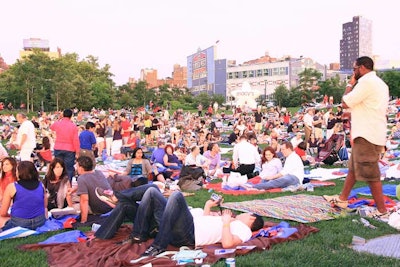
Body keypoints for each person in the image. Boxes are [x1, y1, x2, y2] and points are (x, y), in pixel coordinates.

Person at [323, 56, 390, 218]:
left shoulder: (366, 82)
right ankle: (342, 199)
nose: (353, 72)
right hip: (373, 132)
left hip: (367, 134)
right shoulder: (380, 83)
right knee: (353, 169)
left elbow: (345, 102)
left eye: (354, 69)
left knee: (371, 173)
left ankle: (382, 211)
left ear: (363, 67)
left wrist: (349, 84)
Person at [131, 187, 264, 257]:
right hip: (187, 226)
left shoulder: (244, 229)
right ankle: (139, 235)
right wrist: (208, 206)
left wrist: (226, 222)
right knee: (152, 191)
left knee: (176, 196)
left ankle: (158, 246)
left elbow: (228, 244)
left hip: (189, 234)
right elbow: (204, 221)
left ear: (251, 218)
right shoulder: (233, 221)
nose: (241, 214)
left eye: (245, 213)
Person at [94, 184, 160, 239]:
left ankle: (116, 197)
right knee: (123, 204)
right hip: (152, 220)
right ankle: (101, 235)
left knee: (153, 188)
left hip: (157, 226)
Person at [1, 161, 47, 230]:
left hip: (19, 223)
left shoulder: (12, 187)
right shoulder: (41, 185)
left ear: (19, 172)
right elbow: (44, 206)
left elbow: (3, 213)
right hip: (40, 222)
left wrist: (10, 216)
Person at [75, 156, 113, 223]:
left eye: (77, 166)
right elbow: (92, 184)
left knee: (74, 207)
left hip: (99, 209)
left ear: (80, 168)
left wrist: (83, 221)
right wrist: (74, 189)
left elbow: (84, 200)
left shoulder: (81, 178)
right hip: (111, 205)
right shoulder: (99, 172)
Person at [50, 109, 80, 180]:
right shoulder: (73, 126)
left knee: (58, 167)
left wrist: (59, 119)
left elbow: (51, 127)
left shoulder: (58, 123)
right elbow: (75, 140)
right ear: (71, 116)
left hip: (58, 147)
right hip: (69, 149)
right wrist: (77, 151)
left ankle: (58, 183)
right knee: (69, 168)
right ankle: (68, 185)